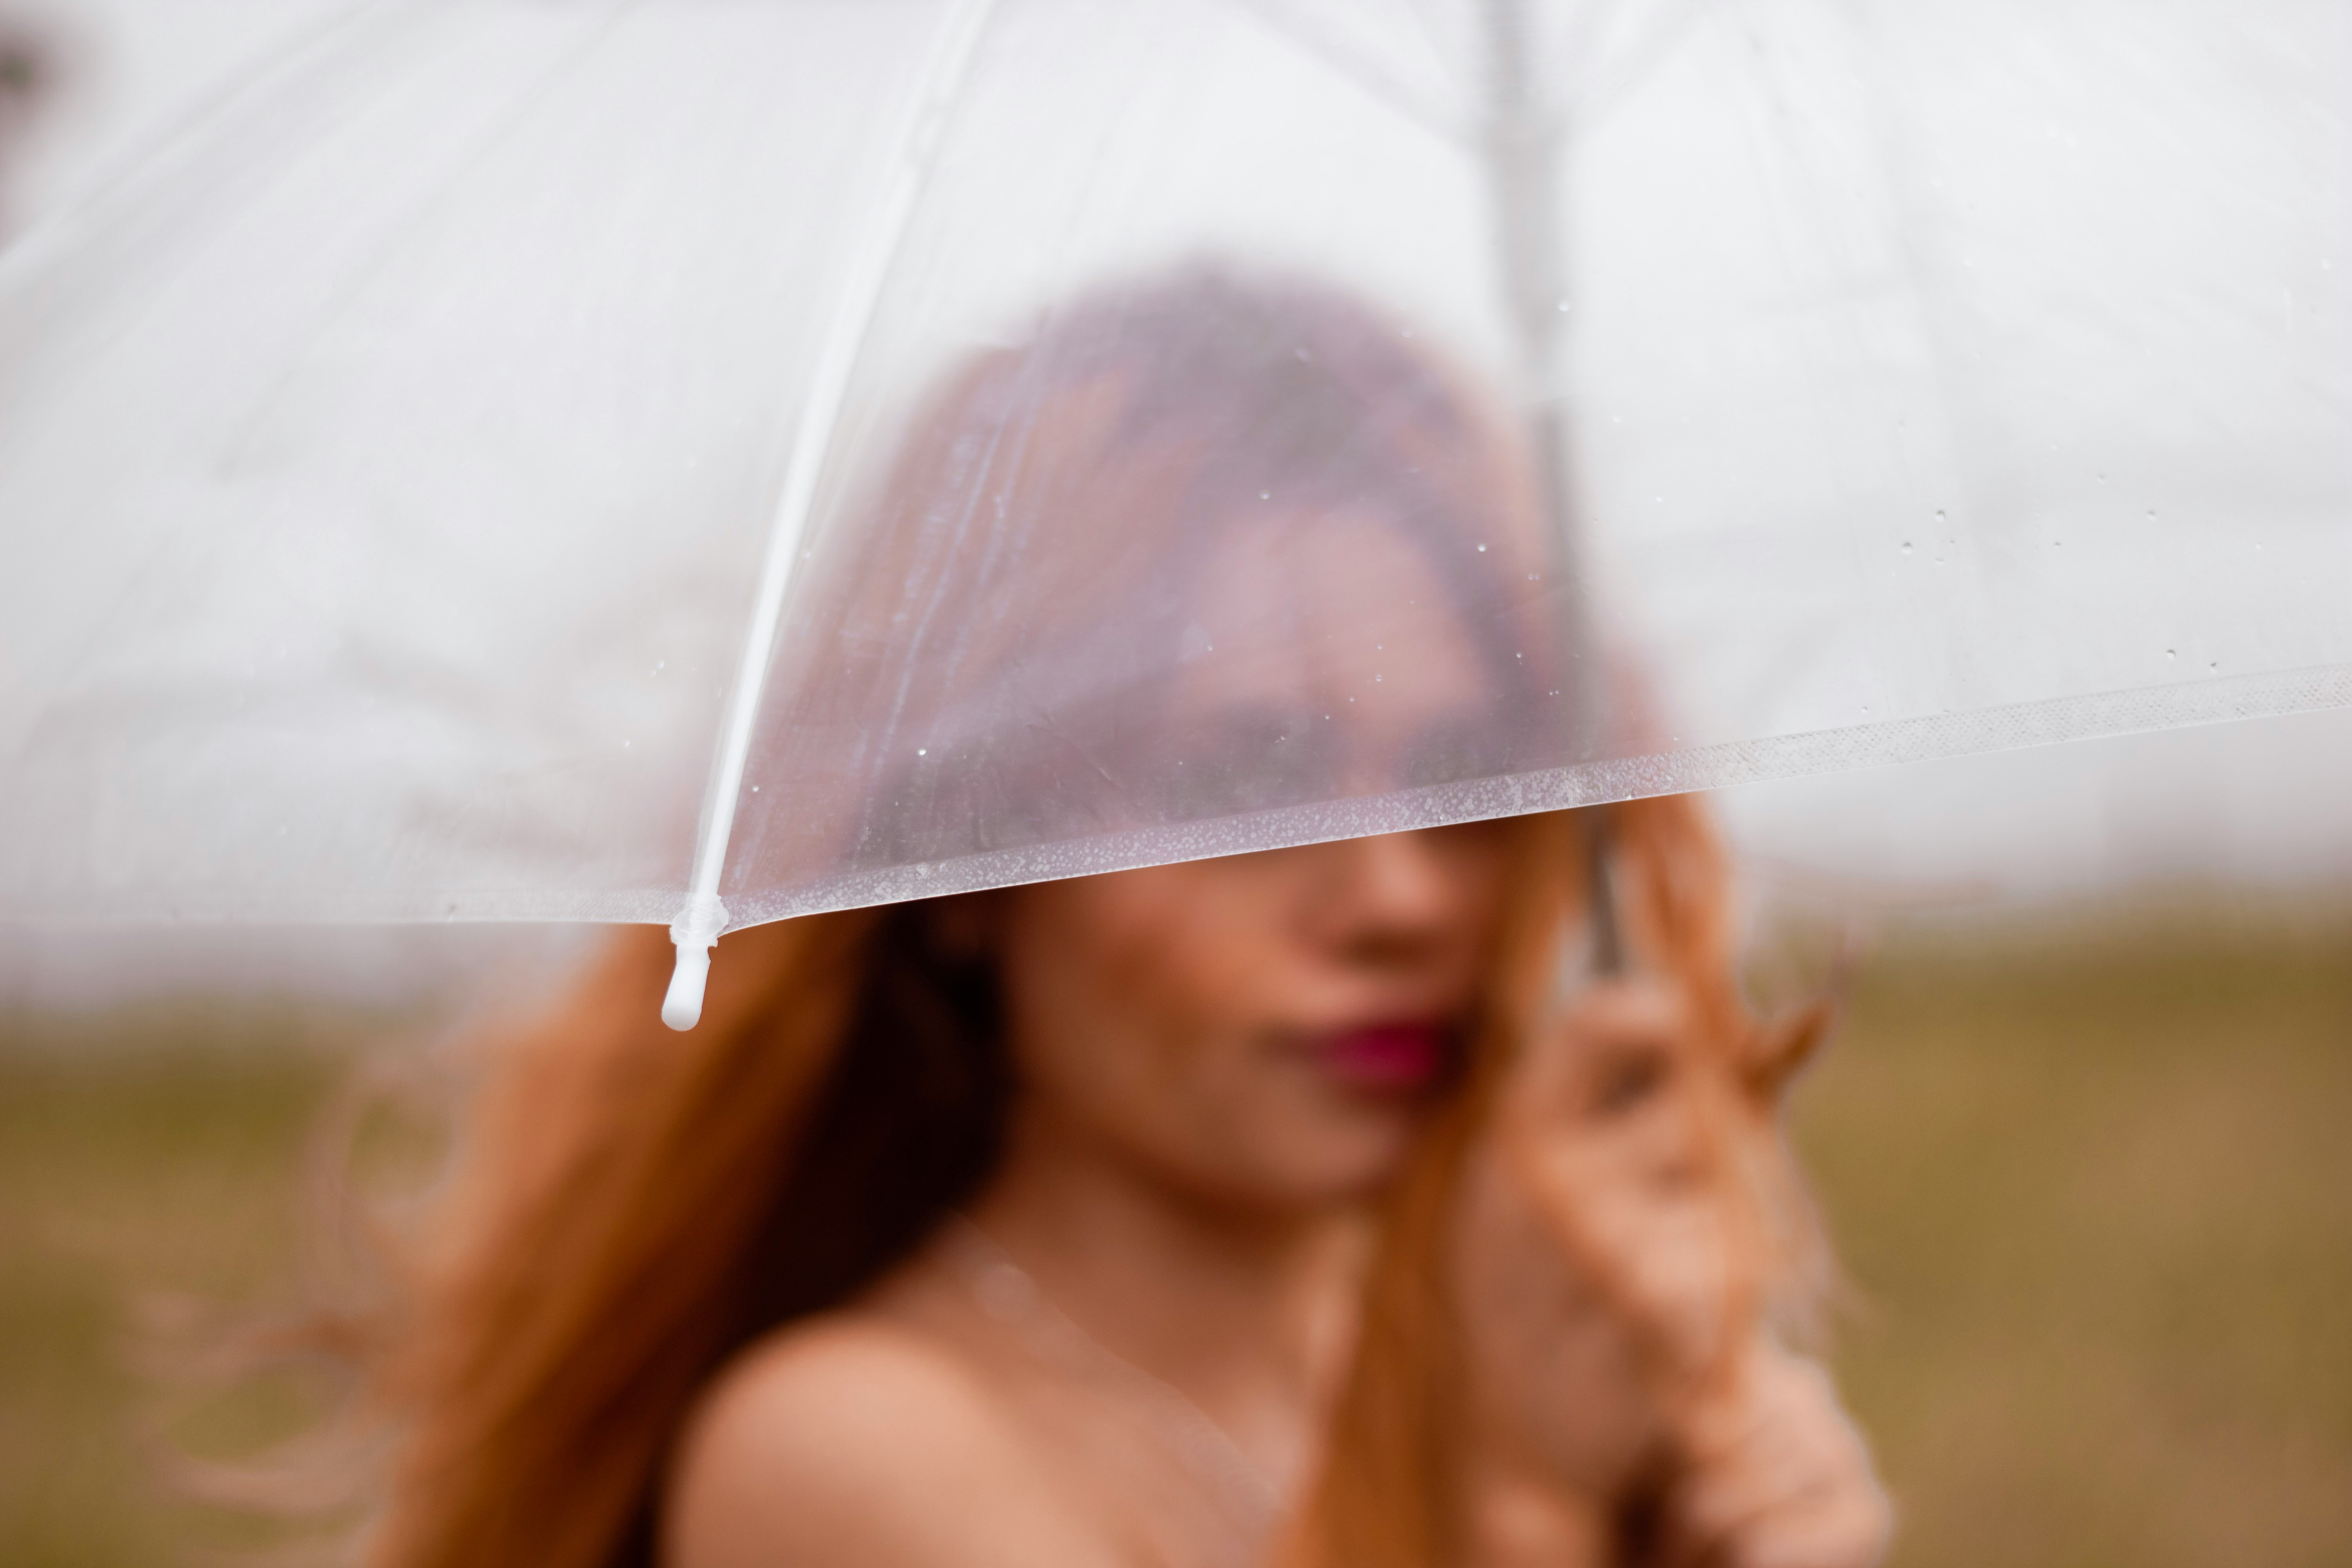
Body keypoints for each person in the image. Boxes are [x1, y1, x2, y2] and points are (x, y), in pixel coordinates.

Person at [362, 270, 1890, 1568]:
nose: (1402, 892)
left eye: (1458, 773)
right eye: (1243, 780)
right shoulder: (850, 1451)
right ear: (961, 865)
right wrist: (1518, 1504)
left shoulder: (1506, 1349)